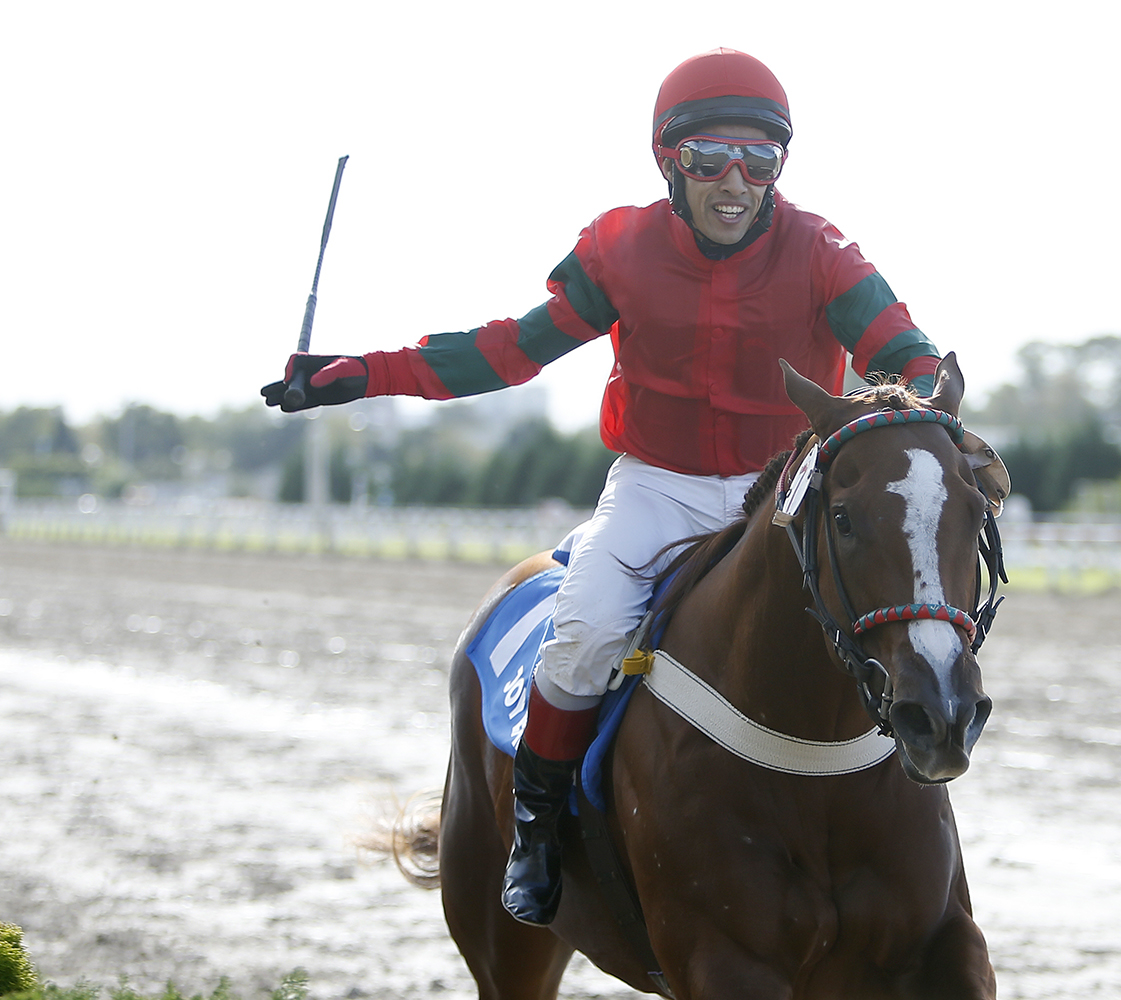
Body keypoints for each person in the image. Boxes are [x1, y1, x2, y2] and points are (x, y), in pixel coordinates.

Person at [262, 48, 947, 926]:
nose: (735, 181)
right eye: (708, 158)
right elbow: (509, 352)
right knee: (584, 633)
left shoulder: (823, 252)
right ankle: (537, 833)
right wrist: (362, 372)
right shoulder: (619, 249)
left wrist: (919, 411)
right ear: (669, 163)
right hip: (658, 488)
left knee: (898, 625)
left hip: (784, 493)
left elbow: (911, 357)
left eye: (759, 160)